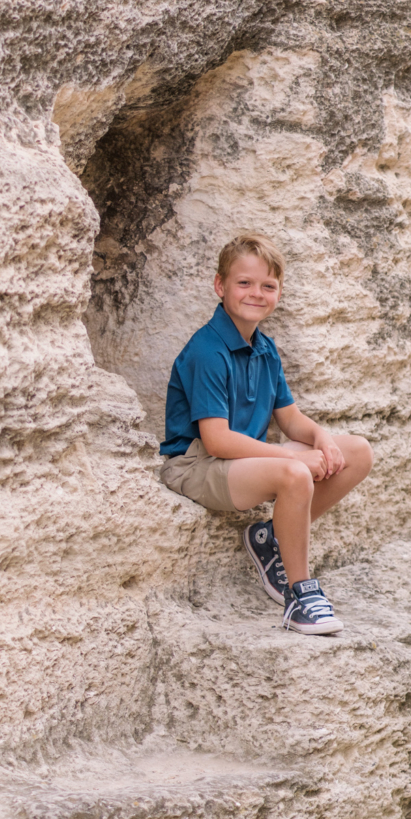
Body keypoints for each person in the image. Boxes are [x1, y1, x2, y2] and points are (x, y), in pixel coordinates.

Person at [158, 233, 373, 635]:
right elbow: (217, 441)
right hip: (197, 465)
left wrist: (322, 439)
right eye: (244, 283)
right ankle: (300, 597)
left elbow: (290, 420)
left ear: (278, 292)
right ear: (220, 286)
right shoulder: (208, 350)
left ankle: (270, 537)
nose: (256, 293)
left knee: (356, 451)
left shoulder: (265, 349)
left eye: (268, 286)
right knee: (294, 474)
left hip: (240, 462)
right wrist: (295, 458)